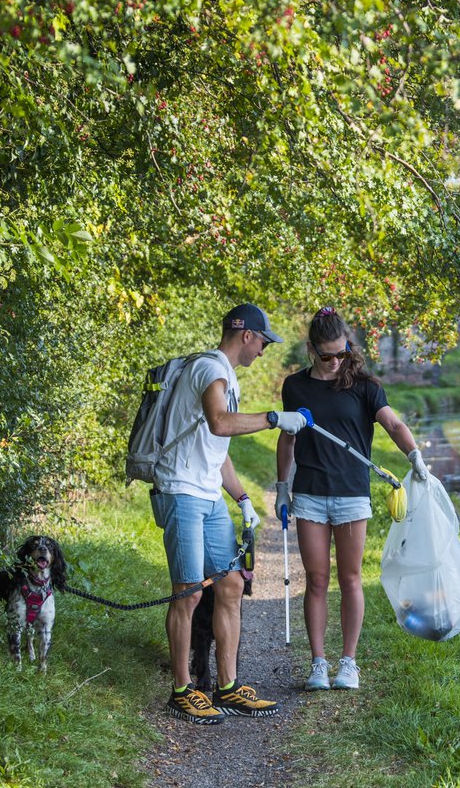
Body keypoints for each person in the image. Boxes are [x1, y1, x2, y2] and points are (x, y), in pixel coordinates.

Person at [151, 303, 307, 724]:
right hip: (180, 492)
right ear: (246, 336)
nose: (264, 351)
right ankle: (182, 691)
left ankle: (227, 686)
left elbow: (216, 451)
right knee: (188, 591)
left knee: (233, 583)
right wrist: (275, 418)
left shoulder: (226, 376)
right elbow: (220, 423)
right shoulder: (210, 370)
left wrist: (242, 499)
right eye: (263, 342)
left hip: (207, 495)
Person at [275, 307, 429, 691]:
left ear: (348, 347)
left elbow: (393, 423)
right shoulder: (295, 386)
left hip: (351, 495)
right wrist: (281, 487)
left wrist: (415, 456)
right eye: (326, 355)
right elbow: (288, 438)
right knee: (315, 579)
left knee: (350, 579)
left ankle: (348, 663)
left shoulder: (364, 385)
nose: (334, 362)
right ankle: (317, 664)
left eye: (340, 353)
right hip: (310, 493)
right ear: (311, 349)